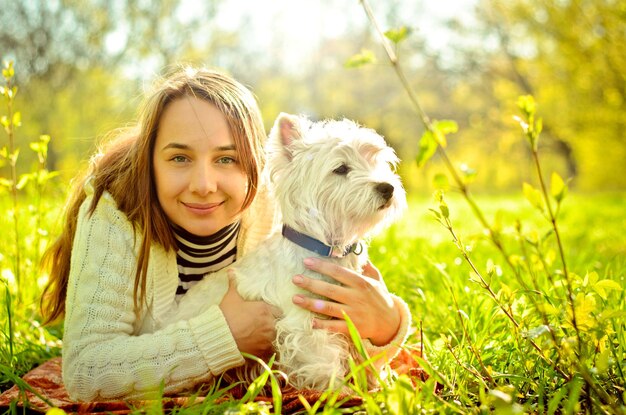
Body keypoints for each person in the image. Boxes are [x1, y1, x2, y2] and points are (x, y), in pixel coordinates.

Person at [40, 66, 411, 402]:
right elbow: (86, 373)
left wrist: (388, 323)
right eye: (180, 157)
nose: (204, 185)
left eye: (227, 158)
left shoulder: (282, 200)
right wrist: (224, 336)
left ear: (255, 163)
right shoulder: (115, 212)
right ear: (148, 159)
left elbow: (329, 314)